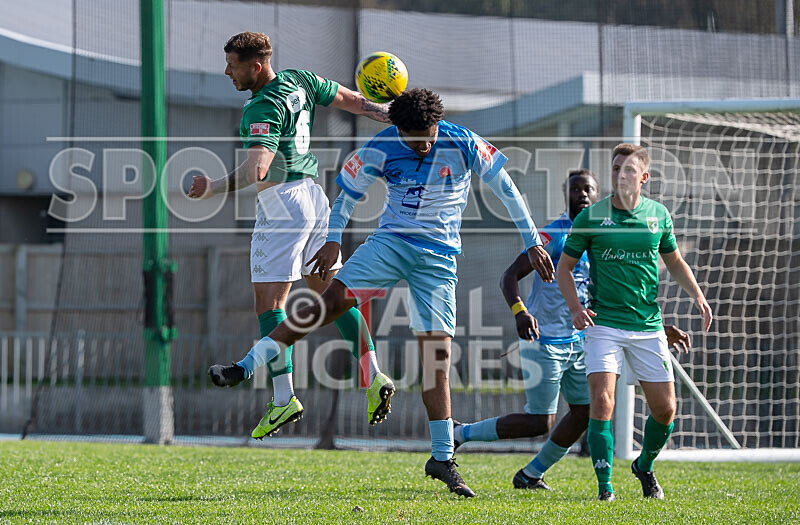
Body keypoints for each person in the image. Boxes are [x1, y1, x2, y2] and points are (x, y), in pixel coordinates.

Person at [210, 88, 554, 497]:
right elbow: (347, 197)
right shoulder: (382, 145)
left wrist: (532, 241)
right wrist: (333, 238)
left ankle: (442, 458)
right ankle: (246, 366)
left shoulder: (462, 140)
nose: (423, 144)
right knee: (329, 305)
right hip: (390, 245)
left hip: (439, 261)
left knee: (437, 359)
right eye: (414, 138)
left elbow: (506, 187)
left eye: (428, 135)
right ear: (399, 130)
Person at [188, 32, 396, 439]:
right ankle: (374, 376)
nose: (227, 71)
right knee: (331, 294)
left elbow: (257, 170)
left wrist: (212, 187)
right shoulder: (300, 79)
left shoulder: (262, 105)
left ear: (257, 66)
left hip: (282, 205)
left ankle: (283, 398)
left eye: (233, 65)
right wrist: (388, 113)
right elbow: (352, 100)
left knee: (270, 303)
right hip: (315, 197)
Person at [453, 170, 691, 492]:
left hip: (582, 341)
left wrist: (658, 328)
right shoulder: (554, 235)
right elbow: (509, 276)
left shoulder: (604, 237)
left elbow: (615, 297)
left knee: (585, 413)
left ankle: (531, 474)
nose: (582, 194)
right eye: (575, 189)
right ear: (566, 194)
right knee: (539, 421)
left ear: (597, 194)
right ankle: (460, 433)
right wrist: (521, 312)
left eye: (588, 189)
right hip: (544, 340)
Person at [557, 143, 713, 501]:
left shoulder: (658, 215)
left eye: (628, 169)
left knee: (666, 409)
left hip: (647, 325)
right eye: (616, 168)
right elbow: (564, 268)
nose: (621, 175)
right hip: (603, 324)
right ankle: (605, 489)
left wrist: (698, 295)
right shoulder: (591, 217)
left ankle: (644, 466)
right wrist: (576, 308)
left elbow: (674, 261)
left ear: (644, 177)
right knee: (602, 402)